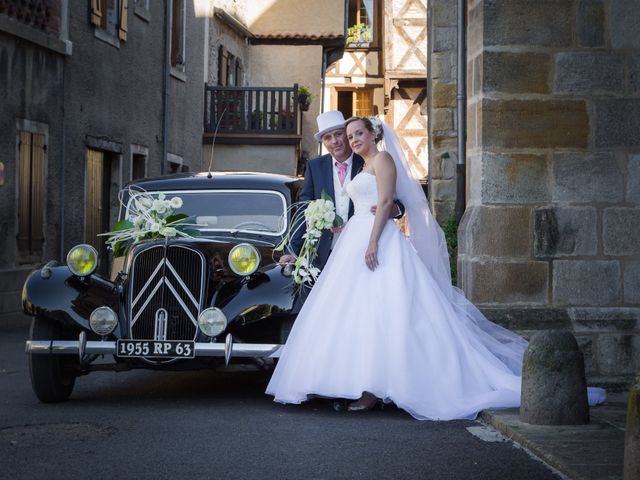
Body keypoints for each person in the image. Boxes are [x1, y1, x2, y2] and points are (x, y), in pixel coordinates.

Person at [266, 116, 606, 420]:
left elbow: (387, 202)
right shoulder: (357, 163)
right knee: (354, 313)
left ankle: (374, 388)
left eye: (357, 134)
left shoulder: (382, 159)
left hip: (376, 240)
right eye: (348, 136)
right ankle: (352, 383)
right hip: (352, 238)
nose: (352, 140)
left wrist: (372, 241)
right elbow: (344, 202)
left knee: (388, 311)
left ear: (373, 134)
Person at [279, 111, 403, 271]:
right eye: (327, 138)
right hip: (324, 251)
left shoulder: (367, 160)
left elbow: (396, 200)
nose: (335, 141)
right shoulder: (315, 167)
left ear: (346, 135)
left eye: (339, 134)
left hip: (364, 244)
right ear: (323, 142)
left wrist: (395, 209)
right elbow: (304, 207)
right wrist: (293, 250)